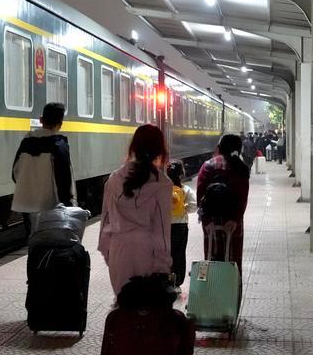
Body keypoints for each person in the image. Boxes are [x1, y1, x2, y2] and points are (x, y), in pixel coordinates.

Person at [98, 124, 172, 296]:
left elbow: (105, 222)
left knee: (123, 305)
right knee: (146, 308)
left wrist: (109, 253)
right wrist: (163, 266)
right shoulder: (163, 184)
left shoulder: (114, 179)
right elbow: (161, 231)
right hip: (147, 253)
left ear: (133, 147)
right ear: (159, 150)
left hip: (119, 251)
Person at [11, 102, 76, 234]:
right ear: (61, 123)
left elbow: (15, 172)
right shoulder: (59, 145)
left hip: (26, 204)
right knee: (51, 240)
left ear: (41, 120)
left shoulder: (26, 142)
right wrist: (68, 204)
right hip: (50, 206)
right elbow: (64, 180)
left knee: (33, 238)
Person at [196, 134, 250, 274]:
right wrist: (235, 219)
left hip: (211, 221)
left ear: (219, 148)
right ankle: (233, 286)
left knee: (211, 257)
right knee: (233, 261)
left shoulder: (207, 166)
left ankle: (211, 286)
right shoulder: (241, 168)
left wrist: (206, 220)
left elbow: (200, 195)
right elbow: (243, 198)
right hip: (233, 222)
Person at [167, 160, 197, 290]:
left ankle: (166, 280)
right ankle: (177, 283)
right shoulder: (185, 190)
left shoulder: (162, 190)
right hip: (180, 226)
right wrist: (183, 209)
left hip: (164, 227)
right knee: (179, 254)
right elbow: (193, 206)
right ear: (181, 174)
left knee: (165, 254)